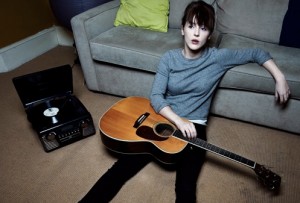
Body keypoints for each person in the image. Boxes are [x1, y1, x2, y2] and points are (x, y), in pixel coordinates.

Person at [79, 1, 290, 202]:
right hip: (162, 117)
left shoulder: (217, 58)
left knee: (186, 187)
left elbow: (257, 53)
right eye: (191, 26)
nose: (196, 33)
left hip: (195, 127)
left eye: (204, 28)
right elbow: (156, 97)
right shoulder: (169, 59)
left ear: (209, 35)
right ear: (182, 29)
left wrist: (279, 78)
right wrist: (178, 121)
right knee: (119, 171)